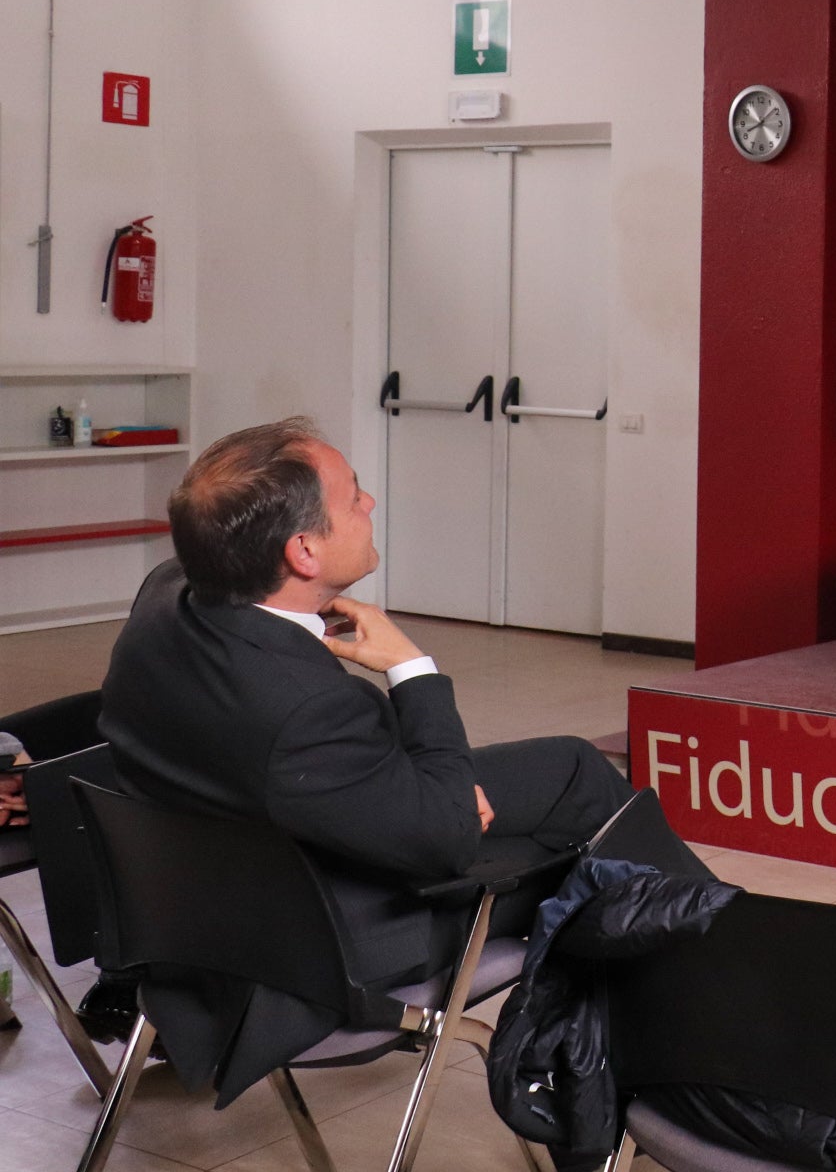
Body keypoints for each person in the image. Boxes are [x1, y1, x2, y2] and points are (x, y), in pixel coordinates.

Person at [97, 417, 691, 1106]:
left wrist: (423, 789)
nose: (370, 504)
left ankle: (694, 977)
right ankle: (714, 1004)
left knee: (572, 769)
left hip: (205, 898)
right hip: (323, 943)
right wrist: (412, 669)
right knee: (601, 859)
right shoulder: (303, 712)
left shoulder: (166, 597)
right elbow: (447, 838)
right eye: (353, 496)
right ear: (303, 552)